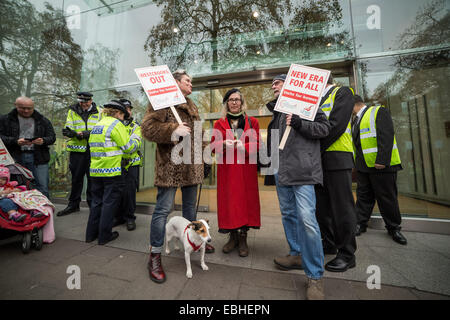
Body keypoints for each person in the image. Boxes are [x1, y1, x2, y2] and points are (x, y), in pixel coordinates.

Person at [141, 69, 213, 284]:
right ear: (176, 83)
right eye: (187, 81)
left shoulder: (192, 106)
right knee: (163, 211)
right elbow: (147, 128)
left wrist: (207, 156)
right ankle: (154, 255)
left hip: (192, 167)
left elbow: (199, 135)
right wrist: (173, 129)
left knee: (191, 211)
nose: (191, 84)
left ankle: (194, 241)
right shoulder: (160, 102)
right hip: (170, 168)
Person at [267, 74, 330, 300]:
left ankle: (314, 276)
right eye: (272, 83)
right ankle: (296, 253)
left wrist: (301, 122)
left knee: (307, 220)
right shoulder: (276, 112)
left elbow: (324, 129)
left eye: (278, 81)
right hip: (280, 171)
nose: (273, 85)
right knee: (289, 215)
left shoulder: (308, 106)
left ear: (291, 85)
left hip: (303, 172)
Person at [210, 88, 261, 257]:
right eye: (231, 100)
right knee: (230, 202)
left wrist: (244, 147)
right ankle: (232, 237)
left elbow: (258, 145)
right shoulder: (219, 123)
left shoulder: (252, 122)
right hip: (228, 171)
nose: (234, 102)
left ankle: (243, 238)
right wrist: (224, 143)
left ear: (242, 102)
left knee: (245, 202)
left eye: (237, 100)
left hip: (246, 170)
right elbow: (212, 147)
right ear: (226, 104)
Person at [315, 75, 358, 273]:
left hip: (337, 158)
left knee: (342, 208)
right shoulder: (314, 99)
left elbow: (336, 126)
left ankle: (347, 254)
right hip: (318, 163)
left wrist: (314, 148)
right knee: (322, 208)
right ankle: (329, 242)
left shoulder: (342, 93)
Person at [352, 95, 407, 245]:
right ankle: (360, 224)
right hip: (364, 167)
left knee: (386, 197)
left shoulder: (378, 112)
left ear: (353, 104)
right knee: (364, 196)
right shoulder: (355, 120)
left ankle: (394, 228)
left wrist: (382, 160)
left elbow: (387, 135)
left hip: (381, 166)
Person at [85, 100, 139, 245]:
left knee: (96, 202)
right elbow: (128, 147)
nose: (123, 118)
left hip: (95, 171)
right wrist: (136, 140)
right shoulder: (116, 124)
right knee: (109, 204)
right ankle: (104, 236)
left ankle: (90, 235)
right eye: (123, 115)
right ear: (118, 113)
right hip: (112, 171)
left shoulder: (97, 125)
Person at [0, 96, 56, 198]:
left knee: (42, 187)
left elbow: (52, 137)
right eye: (22, 108)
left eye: (29, 108)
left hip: (39, 158)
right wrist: (15, 141)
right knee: (17, 186)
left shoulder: (43, 120)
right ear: (15, 106)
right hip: (15, 158)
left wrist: (43, 141)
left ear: (33, 107)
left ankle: (43, 211)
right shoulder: (4, 120)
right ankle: (20, 211)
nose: (26, 111)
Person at [57, 92, 101, 216]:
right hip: (77, 152)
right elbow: (69, 126)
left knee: (93, 179)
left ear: (91, 100)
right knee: (76, 179)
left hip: (93, 151)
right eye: (81, 102)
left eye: (86, 102)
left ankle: (93, 205)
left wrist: (87, 133)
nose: (83, 104)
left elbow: (101, 129)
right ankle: (73, 205)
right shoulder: (72, 111)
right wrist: (70, 133)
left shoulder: (100, 111)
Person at [114, 98, 142, 231]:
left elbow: (133, 145)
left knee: (129, 192)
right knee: (117, 192)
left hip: (131, 164)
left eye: (130, 109)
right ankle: (119, 217)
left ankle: (130, 218)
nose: (129, 111)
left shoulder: (135, 126)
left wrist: (121, 148)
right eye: (126, 109)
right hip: (115, 163)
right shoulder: (114, 125)